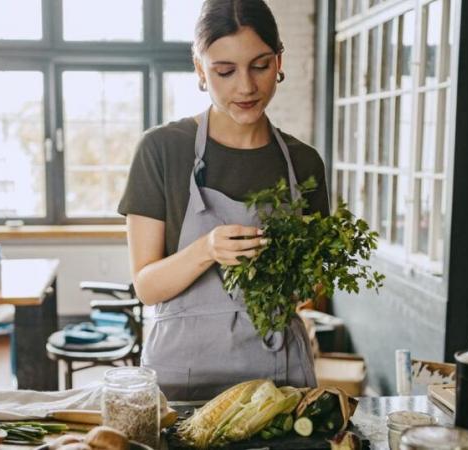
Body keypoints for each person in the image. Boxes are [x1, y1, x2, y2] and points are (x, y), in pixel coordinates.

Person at [118, 0, 329, 401]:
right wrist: (206, 250)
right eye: (225, 71)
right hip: (184, 379)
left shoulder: (303, 163)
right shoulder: (162, 150)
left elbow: (311, 287)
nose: (246, 87)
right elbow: (146, 286)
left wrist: (292, 270)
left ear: (279, 61)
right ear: (200, 68)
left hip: (279, 376)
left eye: (260, 65)